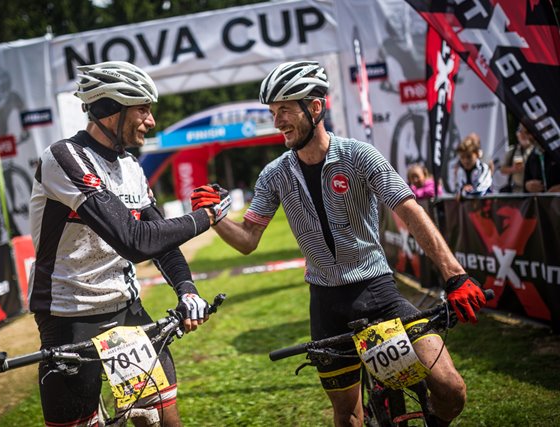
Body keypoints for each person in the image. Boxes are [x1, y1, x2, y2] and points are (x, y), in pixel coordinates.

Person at [191, 61, 487, 427]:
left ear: (315, 107)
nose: (277, 121)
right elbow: (248, 239)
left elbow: (409, 211)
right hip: (326, 304)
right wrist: (214, 216)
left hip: (377, 291)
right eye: (273, 112)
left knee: (451, 389)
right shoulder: (274, 174)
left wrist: (455, 276)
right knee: (348, 417)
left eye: (285, 109)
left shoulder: (359, 155)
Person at [28, 61, 230, 427]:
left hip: (125, 308)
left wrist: (186, 289)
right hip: (69, 314)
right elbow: (134, 241)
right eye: (143, 109)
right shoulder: (65, 157)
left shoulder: (131, 166)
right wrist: (207, 217)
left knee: (164, 419)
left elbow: (160, 241)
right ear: (110, 109)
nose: (151, 121)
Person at [453, 133, 493, 197]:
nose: (466, 161)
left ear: (477, 154)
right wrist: (462, 190)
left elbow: (482, 190)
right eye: (462, 157)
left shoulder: (484, 168)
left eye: (469, 157)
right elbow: (456, 189)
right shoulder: (458, 169)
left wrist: (465, 191)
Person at [499, 123, 534, 193]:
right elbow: (502, 169)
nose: (523, 135)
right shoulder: (512, 150)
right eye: (521, 132)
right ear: (517, 134)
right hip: (516, 190)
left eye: (527, 132)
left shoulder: (536, 151)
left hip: (532, 191)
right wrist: (513, 169)